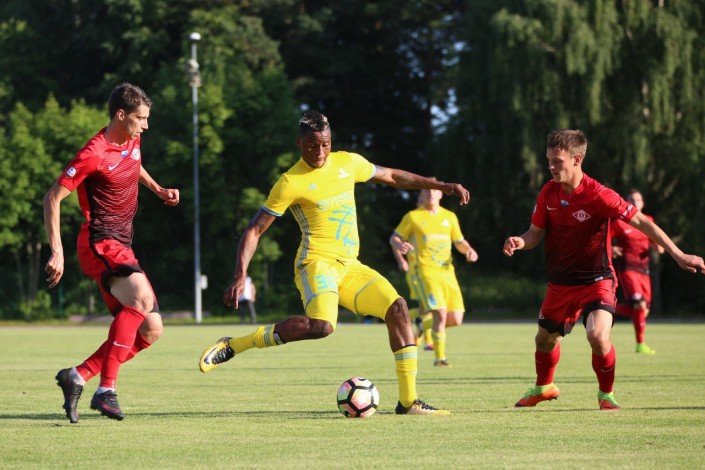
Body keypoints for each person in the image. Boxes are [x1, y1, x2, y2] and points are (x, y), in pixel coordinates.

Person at [199, 110, 470, 415]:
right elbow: (255, 229)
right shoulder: (290, 182)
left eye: (325, 144)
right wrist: (240, 275)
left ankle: (408, 402)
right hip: (316, 264)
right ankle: (235, 344)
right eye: (312, 145)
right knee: (322, 327)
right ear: (299, 143)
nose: (320, 151)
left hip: (350, 266)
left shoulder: (348, 163)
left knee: (398, 308)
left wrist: (440, 185)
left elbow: (393, 177)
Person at [503, 129, 704, 411]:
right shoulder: (549, 191)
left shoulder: (598, 194)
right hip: (561, 282)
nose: (551, 167)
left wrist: (678, 254)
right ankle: (544, 388)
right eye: (548, 160)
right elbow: (534, 234)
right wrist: (520, 241)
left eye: (557, 161)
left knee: (597, 336)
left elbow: (643, 223)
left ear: (576, 159)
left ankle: (606, 395)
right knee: (544, 340)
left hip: (597, 279)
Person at [43, 83, 179, 423]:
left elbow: (133, 165)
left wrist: (158, 189)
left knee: (151, 330)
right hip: (99, 243)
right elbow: (52, 198)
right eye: (140, 118)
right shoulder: (94, 153)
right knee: (141, 298)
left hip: (122, 244)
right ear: (121, 114)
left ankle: (78, 375)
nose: (146, 125)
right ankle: (106, 391)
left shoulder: (132, 139)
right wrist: (57, 251)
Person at [390, 185, 478, 367]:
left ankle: (421, 325)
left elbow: (459, 242)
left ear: (441, 194)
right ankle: (440, 359)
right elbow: (394, 238)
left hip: (447, 273)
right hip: (425, 271)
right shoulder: (413, 216)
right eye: (427, 190)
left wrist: (469, 250)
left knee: (456, 319)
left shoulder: (449, 216)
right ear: (422, 194)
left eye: (435, 190)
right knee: (440, 313)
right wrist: (399, 248)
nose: (431, 192)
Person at [611, 189, 665, 354]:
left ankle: (601, 307)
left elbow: (656, 242)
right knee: (639, 304)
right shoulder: (619, 222)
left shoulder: (648, 220)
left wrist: (658, 246)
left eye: (638, 200)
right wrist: (612, 248)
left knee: (642, 310)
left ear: (643, 203)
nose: (635, 203)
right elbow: (603, 239)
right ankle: (640, 344)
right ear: (626, 203)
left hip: (644, 270)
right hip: (628, 268)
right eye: (631, 200)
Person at [390, 191, 434, 351]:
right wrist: (401, 260)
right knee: (428, 307)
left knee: (425, 308)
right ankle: (427, 339)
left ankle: (418, 331)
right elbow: (396, 241)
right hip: (416, 270)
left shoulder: (434, 220)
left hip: (430, 270)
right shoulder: (413, 220)